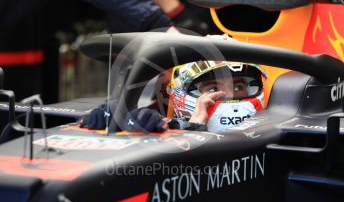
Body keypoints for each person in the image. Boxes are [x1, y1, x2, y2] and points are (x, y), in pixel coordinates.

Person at [80, 59, 267, 133]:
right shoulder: (164, 128)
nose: (228, 95)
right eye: (212, 89)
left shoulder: (277, 132)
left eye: (239, 86)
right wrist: (193, 128)